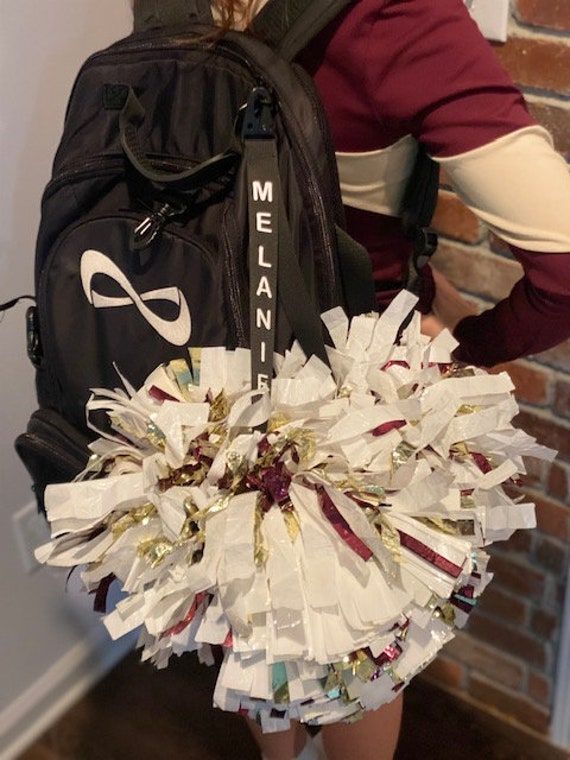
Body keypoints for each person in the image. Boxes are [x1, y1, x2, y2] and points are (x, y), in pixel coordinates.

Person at [132, 1, 570, 758]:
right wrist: (465, 347)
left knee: (253, 621)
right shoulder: (394, 15)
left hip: (198, 386)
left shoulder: (167, 4)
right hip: (343, 417)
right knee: (352, 655)